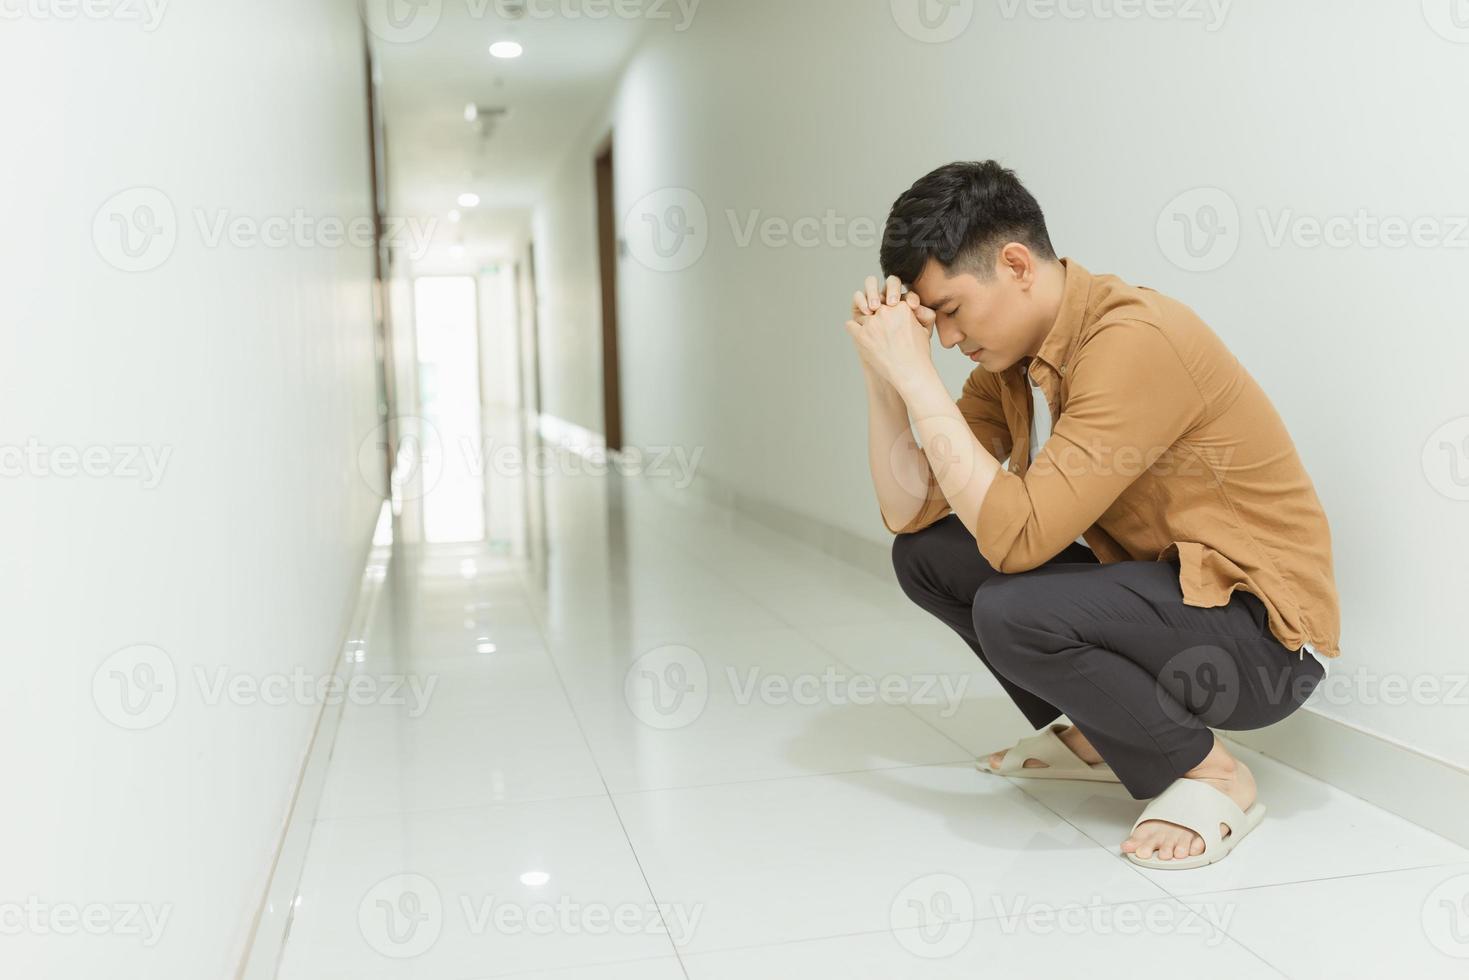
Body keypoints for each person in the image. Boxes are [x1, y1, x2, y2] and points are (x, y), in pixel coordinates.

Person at [844, 160, 1340, 869]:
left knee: (1014, 608)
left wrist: (917, 374)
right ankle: (1104, 734)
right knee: (928, 558)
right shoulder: (1008, 365)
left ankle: (1211, 773)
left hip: (1258, 647)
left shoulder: (1132, 338)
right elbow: (908, 512)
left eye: (949, 309)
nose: (946, 339)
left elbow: (1016, 543)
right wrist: (884, 375)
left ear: (1014, 263)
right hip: (1167, 605)